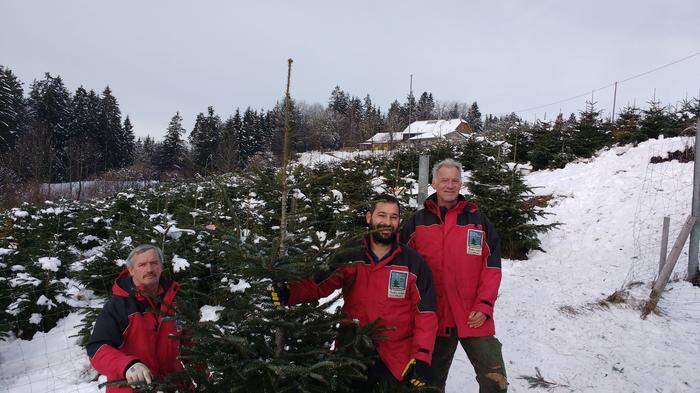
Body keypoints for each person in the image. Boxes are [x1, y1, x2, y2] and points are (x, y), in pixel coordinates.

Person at [271, 194, 438, 390]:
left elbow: (426, 313)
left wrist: (422, 357)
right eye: (381, 215)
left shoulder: (413, 262)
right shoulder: (351, 253)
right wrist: (289, 293)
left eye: (393, 217)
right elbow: (320, 283)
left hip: (396, 357)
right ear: (369, 218)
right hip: (353, 351)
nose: (387, 222)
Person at [400, 159, 508, 393]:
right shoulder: (417, 222)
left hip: (474, 315)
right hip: (434, 318)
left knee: (494, 380)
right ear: (434, 183)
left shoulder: (478, 222)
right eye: (444, 180)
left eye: (455, 180)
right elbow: (398, 263)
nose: (450, 185)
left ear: (461, 184)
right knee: (428, 384)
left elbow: (492, 268)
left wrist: (485, 305)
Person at [86, 245, 188, 393]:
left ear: (161, 266)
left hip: (175, 387)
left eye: (154, 263)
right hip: (133, 388)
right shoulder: (118, 305)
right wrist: (128, 365)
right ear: (131, 271)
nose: (149, 269)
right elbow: (97, 349)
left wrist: (203, 380)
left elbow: (192, 344)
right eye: (142, 265)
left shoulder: (176, 299)